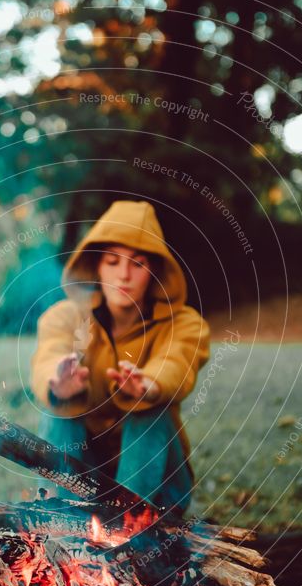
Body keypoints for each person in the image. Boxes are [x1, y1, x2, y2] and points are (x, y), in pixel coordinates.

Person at [30, 199, 210, 515]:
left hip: (161, 489)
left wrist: (150, 385)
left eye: (137, 264)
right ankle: (65, 521)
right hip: (85, 480)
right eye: (112, 262)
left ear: (153, 270)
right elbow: (49, 353)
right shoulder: (64, 317)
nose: (124, 275)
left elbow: (176, 363)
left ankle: (129, 529)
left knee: (150, 408)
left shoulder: (184, 323)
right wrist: (57, 383)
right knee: (58, 410)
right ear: (96, 265)